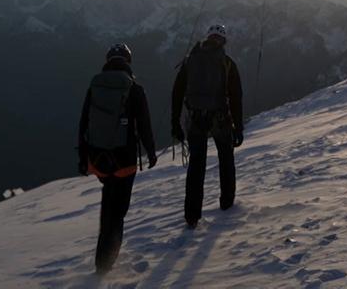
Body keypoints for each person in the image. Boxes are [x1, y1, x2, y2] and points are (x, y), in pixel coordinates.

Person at [78, 43, 157, 275]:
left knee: (108, 203)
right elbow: (144, 125)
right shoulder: (134, 88)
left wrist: (84, 157)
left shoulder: (95, 87)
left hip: (99, 158)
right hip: (125, 159)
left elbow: (84, 123)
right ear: (127, 61)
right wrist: (150, 152)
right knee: (119, 211)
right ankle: (106, 262)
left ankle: (102, 258)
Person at [171, 23, 244, 228]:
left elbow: (177, 93)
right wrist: (238, 127)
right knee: (226, 159)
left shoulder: (190, 61)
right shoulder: (227, 63)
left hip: (195, 119)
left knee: (196, 165)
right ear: (223, 41)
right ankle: (227, 203)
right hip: (220, 119)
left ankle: (192, 216)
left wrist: (175, 122)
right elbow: (236, 97)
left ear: (207, 38)